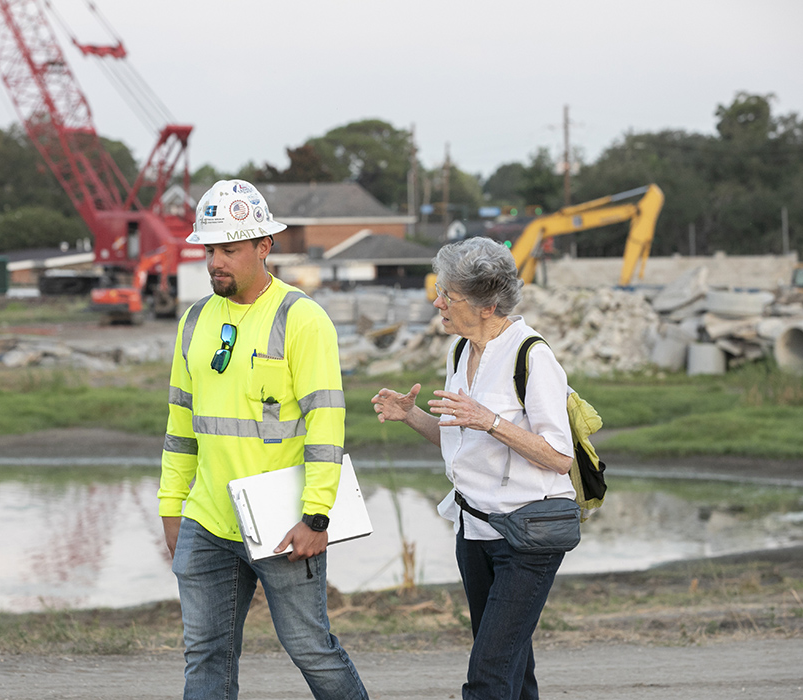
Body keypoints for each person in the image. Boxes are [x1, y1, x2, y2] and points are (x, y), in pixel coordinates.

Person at [158, 179, 368, 700]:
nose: (215, 261)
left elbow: (325, 424)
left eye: (229, 249)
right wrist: (171, 507)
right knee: (204, 655)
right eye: (210, 249)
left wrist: (318, 516)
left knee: (310, 648)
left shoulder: (302, 319)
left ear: (264, 247)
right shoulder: (195, 321)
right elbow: (181, 425)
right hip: (206, 521)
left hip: (284, 521)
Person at [371, 236, 574, 700]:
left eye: (449, 295)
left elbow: (559, 457)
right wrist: (412, 416)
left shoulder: (532, 356)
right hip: (474, 532)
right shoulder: (460, 352)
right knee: (512, 669)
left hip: (527, 536)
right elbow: (459, 439)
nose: (437, 301)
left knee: (487, 677)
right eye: (440, 289)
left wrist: (492, 421)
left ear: (489, 304)